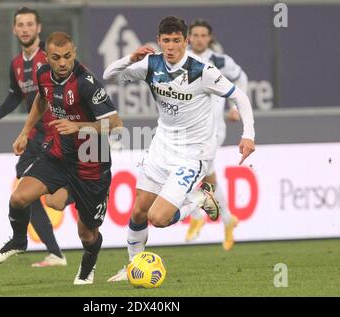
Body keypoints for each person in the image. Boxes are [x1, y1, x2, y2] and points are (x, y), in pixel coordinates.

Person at [103, 16, 255, 282]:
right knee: (139, 210)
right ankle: (132, 266)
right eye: (166, 41)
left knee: (158, 218)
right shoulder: (151, 64)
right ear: (159, 41)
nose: (171, 46)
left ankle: (200, 199)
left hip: (192, 154)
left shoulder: (202, 70)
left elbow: (239, 95)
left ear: (185, 42)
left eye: (176, 41)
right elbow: (109, 75)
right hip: (161, 147)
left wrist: (248, 135)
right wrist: (130, 57)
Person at [0, 31, 123, 285]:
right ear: (47, 57)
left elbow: (115, 124)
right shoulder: (42, 74)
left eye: (68, 56)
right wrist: (25, 132)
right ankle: (18, 240)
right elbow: (41, 99)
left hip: (91, 164)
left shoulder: (86, 83)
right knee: (19, 197)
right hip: (58, 155)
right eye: (57, 57)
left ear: (75, 53)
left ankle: (87, 268)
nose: (63, 63)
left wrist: (79, 127)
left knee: (87, 233)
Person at [0, 7, 69, 268]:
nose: (25, 28)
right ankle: (53, 252)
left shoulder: (51, 59)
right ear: (14, 29)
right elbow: (16, 95)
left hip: (56, 135)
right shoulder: (17, 64)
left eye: (30, 24)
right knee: (25, 190)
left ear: (38, 28)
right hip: (36, 136)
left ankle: (70, 193)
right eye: (21, 24)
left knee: (34, 191)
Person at [184, 19, 249, 250]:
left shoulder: (221, 61)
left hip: (214, 129)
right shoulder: (183, 60)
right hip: (189, 129)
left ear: (210, 38)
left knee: (196, 169)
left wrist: (234, 108)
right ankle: (228, 219)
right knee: (207, 173)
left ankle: (199, 216)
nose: (200, 38)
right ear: (189, 38)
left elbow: (241, 78)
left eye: (204, 35)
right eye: (196, 35)